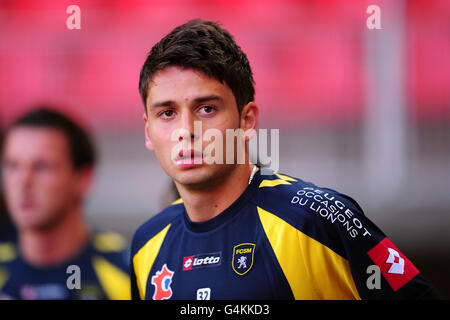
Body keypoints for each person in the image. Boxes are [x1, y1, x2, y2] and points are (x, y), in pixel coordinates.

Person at [130, 19, 440, 300]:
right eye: (167, 113)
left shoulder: (317, 220)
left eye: (207, 109)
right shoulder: (146, 245)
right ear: (148, 131)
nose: (186, 131)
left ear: (247, 120)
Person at [0, 107, 130, 300]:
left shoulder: (130, 270)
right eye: (13, 166)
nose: (23, 182)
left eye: (42, 167)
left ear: (83, 179)